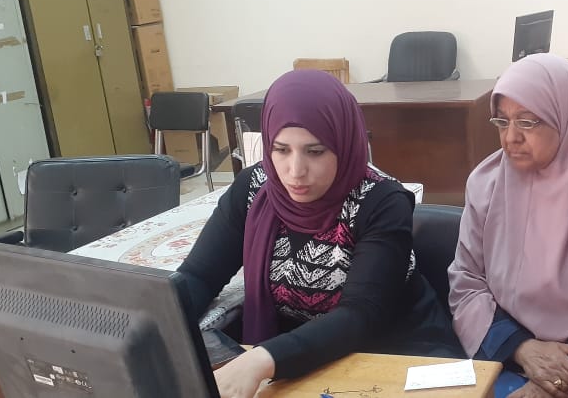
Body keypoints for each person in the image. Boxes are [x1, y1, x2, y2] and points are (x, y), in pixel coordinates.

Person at [178, 70, 463, 398]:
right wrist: (155, 324)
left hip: (397, 352)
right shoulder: (255, 189)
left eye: (315, 152)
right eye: (281, 150)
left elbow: (360, 314)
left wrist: (261, 360)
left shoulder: (381, 202)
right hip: (303, 356)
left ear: (344, 144)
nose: (295, 171)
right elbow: (199, 275)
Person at [449, 54, 568, 398]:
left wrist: (566, 377)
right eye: (502, 121)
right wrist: (522, 348)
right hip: (510, 355)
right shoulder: (487, 182)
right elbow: (467, 280)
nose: (511, 138)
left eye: (527, 122)